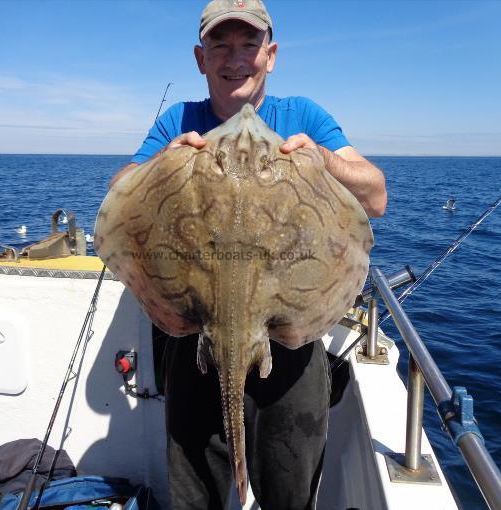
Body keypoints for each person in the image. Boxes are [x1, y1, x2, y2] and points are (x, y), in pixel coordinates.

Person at [111, 1, 387, 508]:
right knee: (199, 493)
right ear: (201, 57)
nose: (235, 58)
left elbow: (376, 197)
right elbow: (119, 195)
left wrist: (322, 161)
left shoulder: (304, 116)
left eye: (249, 45)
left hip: (290, 337)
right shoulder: (179, 121)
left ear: (271, 54)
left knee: (289, 490)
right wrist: (164, 166)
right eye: (221, 45)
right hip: (198, 339)